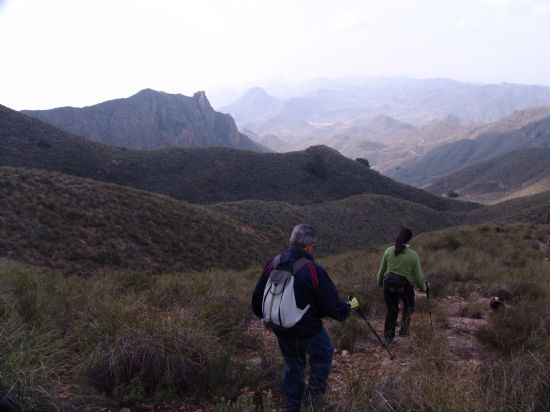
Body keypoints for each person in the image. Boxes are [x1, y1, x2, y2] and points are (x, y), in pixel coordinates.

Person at [252, 224, 358, 411]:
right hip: (309, 331)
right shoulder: (313, 270)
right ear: (309, 246)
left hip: (281, 329)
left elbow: (256, 301)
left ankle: (292, 407)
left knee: (293, 365)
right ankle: (312, 402)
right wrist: (351, 305)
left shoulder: (272, 263)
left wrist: (267, 319)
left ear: (290, 242)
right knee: (323, 354)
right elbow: (335, 309)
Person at [376, 227, 426, 343]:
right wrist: (424, 287)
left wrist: (379, 282)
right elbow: (419, 276)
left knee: (391, 310)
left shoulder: (389, 251)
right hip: (404, 285)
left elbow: (381, 271)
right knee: (408, 306)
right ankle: (404, 331)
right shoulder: (413, 255)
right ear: (409, 239)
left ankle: (388, 338)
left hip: (388, 284)